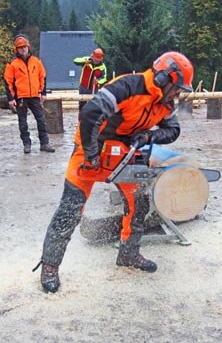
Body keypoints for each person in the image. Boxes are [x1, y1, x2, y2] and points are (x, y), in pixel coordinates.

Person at [34, 51, 194, 293]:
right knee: (70, 209)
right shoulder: (127, 86)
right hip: (93, 148)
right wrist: (90, 155)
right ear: (164, 78)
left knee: (138, 202)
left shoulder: (166, 103)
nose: (178, 93)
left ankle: (129, 254)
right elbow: (90, 115)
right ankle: (49, 266)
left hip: (125, 153)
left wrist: (149, 135)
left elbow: (173, 130)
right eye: (177, 87)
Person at [4, 34, 55, 154]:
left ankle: (44, 143)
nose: (23, 49)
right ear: (16, 49)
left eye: (25, 47)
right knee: (23, 122)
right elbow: (8, 82)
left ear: (28, 47)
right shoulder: (13, 64)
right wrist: (11, 98)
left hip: (35, 96)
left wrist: (43, 92)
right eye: (20, 47)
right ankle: (27, 144)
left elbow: (42, 77)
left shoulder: (36, 62)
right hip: (20, 97)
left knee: (41, 120)